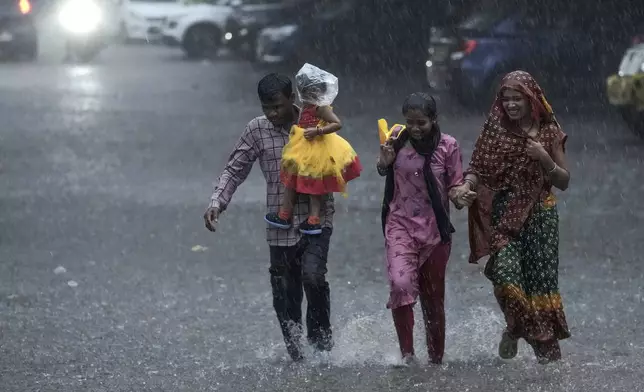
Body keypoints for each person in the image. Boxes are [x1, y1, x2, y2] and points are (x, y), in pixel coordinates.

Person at [203, 73, 335, 362]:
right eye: (266, 107)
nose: (272, 113)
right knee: (285, 289)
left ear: (292, 99)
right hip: (280, 223)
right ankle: (296, 351)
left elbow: (338, 159)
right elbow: (235, 169)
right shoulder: (257, 130)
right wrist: (218, 202)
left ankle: (321, 343)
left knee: (313, 278)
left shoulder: (316, 123)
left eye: (277, 106)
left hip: (316, 218)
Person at [452, 70, 571, 364]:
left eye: (517, 99)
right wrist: (465, 188)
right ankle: (515, 327)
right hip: (505, 216)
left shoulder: (549, 132)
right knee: (505, 277)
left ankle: (547, 358)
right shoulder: (496, 129)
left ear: (531, 100)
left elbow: (564, 181)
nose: (511, 105)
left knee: (540, 287)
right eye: (506, 99)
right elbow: (477, 168)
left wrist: (544, 157)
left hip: (541, 218)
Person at [376, 92, 466, 365]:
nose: (415, 129)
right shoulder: (396, 137)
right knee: (401, 286)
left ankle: (436, 358)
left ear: (434, 120)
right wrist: (385, 160)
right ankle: (407, 356)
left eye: (422, 123)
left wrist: (461, 195)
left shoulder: (448, 146)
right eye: (410, 122)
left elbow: (456, 185)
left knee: (432, 297)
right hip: (400, 225)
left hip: (435, 231)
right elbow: (382, 169)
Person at [264, 63, 362, 235]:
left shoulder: (320, 108)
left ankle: (314, 219)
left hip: (316, 151)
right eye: (305, 92)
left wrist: (318, 131)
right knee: (290, 181)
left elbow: (337, 124)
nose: (307, 95)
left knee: (314, 187)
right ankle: (285, 214)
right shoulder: (307, 107)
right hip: (301, 149)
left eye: (310, 91)